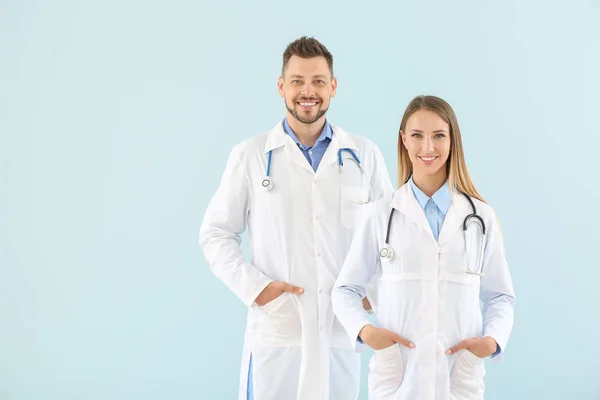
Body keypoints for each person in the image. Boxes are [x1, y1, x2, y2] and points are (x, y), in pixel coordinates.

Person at [199, 36, 393, 400]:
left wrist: (369, 293)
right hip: (278, 331)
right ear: (281, 86)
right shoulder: (251, 155)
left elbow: (390, 239)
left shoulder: (365, 156)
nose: (308, 91)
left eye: (319, 81)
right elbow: (214, 234)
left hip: (339, 331)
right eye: (298, 81)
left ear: (333, 87)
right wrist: (258, 290)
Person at [331, 95, 515, 399]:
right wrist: (367, 332)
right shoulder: (380, 214)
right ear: (403, 140)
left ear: (453, 140)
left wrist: (491, 341)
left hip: (458, 375)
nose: (427, 147)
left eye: (438, 136)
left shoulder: (479, 217)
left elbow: (500, 296)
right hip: (397, 375)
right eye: (417, 135)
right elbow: (345, 290)